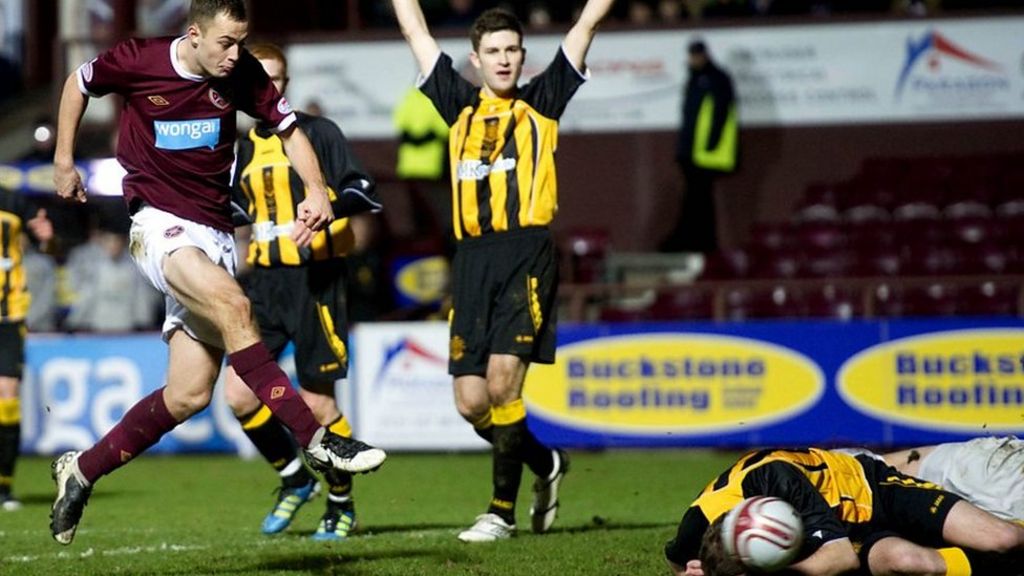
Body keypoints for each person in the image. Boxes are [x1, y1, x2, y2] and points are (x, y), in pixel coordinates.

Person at [49, 0, 386, 546]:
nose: (235, 54)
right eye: (225, 43)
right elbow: (77, 84)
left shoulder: (243, 72)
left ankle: (81, 470)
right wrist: (64, 160)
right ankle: (317, 440)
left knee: (188, 395)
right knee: (234, 304)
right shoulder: (138, 59)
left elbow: (290, 130)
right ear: (194, 35)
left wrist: (317, 189)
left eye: (241, 42)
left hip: (216, 235)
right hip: (158, 223)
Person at [391, 0, 616, 542]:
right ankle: (546, 462)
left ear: (522, 54)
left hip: (525, 255)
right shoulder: (457, 103)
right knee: (471, 403)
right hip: (471, 260)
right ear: (475, 59)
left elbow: (586, 22)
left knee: (501, 384)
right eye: (493, 51)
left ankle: (500, 513)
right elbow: (415, 29)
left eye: (512, 49)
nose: (504, 59)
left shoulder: (543, 100)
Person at [223, 42, 382, 541]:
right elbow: (234, 209)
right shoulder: (242, 147)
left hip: (317, 281)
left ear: (287, 84)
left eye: (276, 79)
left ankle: (341, 503)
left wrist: (327, 208)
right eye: (258, 79)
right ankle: (295, 479)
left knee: (317, 406)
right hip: (264, 285)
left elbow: (362, 190)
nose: (268, 88)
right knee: (238, 394)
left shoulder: (318, 132)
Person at [664, 447, 1024, 576]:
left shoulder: (777, 478)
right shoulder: (696, 525)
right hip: (845, 534)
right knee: (907, 561)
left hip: (872, 490)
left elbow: (839, 558)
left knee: (1003, 538)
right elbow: (679, 563)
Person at [0, 186, 53, 510]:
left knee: (7, 397)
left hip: (8, 316)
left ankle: (4, 486)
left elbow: (46, 244)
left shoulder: (12, 202)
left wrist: (45, 236)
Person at [661, 39, 738, 254]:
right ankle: (695, 242)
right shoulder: (696, 78)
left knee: (699, 200)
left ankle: (700, 244)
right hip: (692, 152)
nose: (693, 59)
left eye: (696, 55)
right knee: (696, 199)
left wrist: (711, 144)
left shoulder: (716, 79)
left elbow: (720, 114)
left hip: (704, 153)